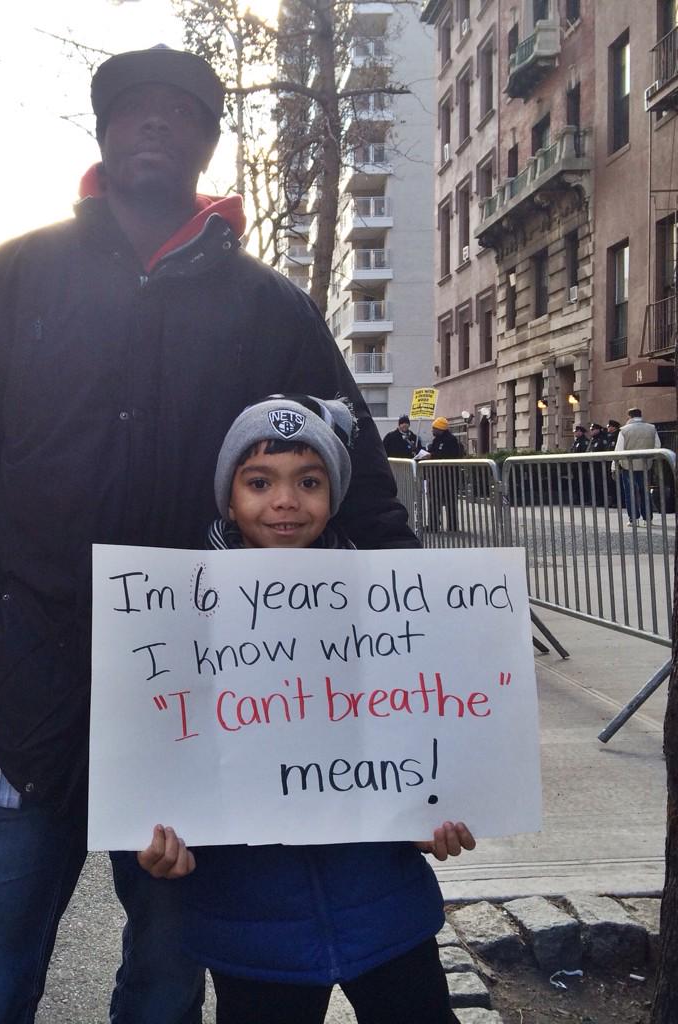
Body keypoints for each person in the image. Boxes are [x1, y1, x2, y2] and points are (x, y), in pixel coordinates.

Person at [0, 45, 420, 1024]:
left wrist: (416, 640)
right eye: (131, 108)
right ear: (101, 131)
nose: (152, 123)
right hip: (21, 676)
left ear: (208, 140)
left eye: (178, 111)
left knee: (169, 970)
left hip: (205, 696)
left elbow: (357, 488)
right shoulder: (3, 283)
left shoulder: (272, 308)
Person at [137, 395, 473, 1024]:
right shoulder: (175, 611)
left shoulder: (390, 606)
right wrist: (156, 838)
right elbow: (159, 742)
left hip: (385, 908)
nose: (285, 500)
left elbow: (417, 733)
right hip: (252, 929)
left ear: (334, 494)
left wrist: (438, 810)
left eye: (309, 482)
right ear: (227, 497)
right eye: (259, 482)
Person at [614, 408, 661, 524]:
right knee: (645, 492)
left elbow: (618, 450)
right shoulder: (652, 428)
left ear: (629, 416)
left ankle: (634, 519)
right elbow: (657, 446)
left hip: (628, 466)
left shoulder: (624, 430)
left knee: (630, 493)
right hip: (646, 465)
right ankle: (648, 518)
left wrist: (614, 467)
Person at [424, 416, 462, 531]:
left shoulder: (450, 440)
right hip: (437, 475)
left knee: (449, 501)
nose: (432, 430)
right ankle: (434, 524)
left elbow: (447, 455)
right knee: (434, 501)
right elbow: (436, 452)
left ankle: (453, 526)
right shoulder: (437, 440)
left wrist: (431, 455)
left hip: (448, 476)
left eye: (434, 428)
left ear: (440, 429)